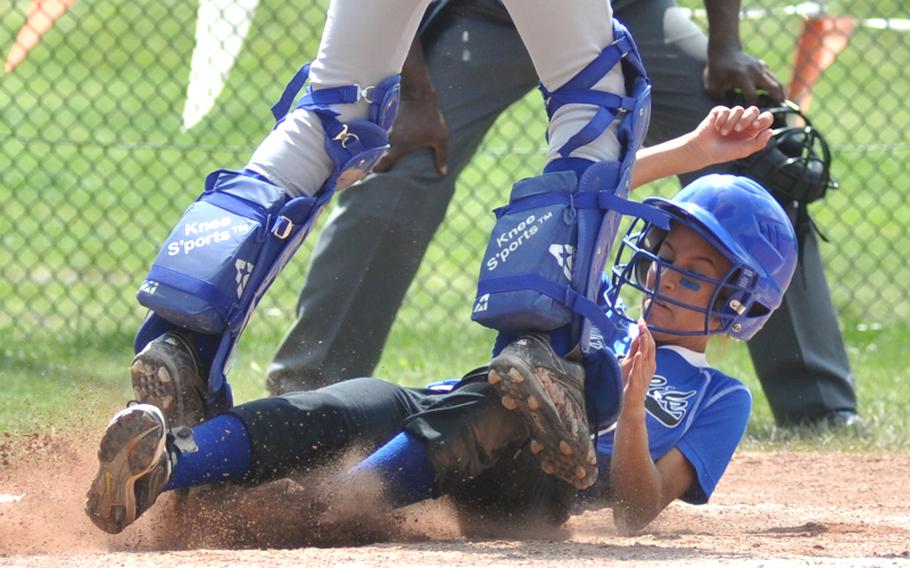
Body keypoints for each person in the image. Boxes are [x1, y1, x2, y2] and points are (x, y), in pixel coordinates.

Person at [85, 132, 799, 534]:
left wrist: (634, 406)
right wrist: (694, 151)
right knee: (346, 406)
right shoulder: (601, 311)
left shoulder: (718, 397)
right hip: (454, 414)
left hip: (534, 488)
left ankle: (317, 514)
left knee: (523, 403)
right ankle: (170, 464)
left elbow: (637, 512)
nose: (669, 271)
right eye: (668, 253)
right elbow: (594, 197)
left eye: (697, 267)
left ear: (742, 299)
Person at [265, 0, 859, 429]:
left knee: (753, 143)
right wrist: (414, 97)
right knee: (402, 161)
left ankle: (820, 407)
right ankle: (311, 390)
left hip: (625, 12)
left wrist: (723, 45)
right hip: (483, 16)